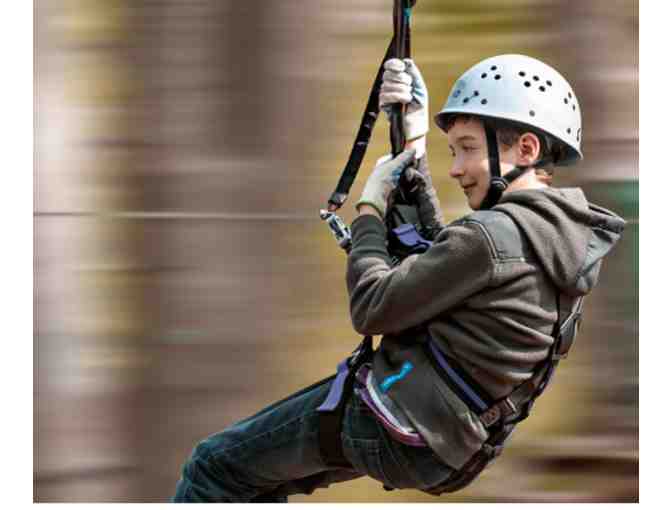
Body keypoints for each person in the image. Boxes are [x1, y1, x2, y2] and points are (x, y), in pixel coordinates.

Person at [171, 54, 625, 502]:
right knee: (256, 480)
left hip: (396, 422)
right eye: (454, 151)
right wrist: (414, 143)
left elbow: (372, 306)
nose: (456, 168)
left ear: (526, 150)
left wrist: (369, 208)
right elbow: (443, 263)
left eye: (468, 148)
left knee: (214, 467)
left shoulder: (491, 237)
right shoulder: (558, 240)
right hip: (450, 445)